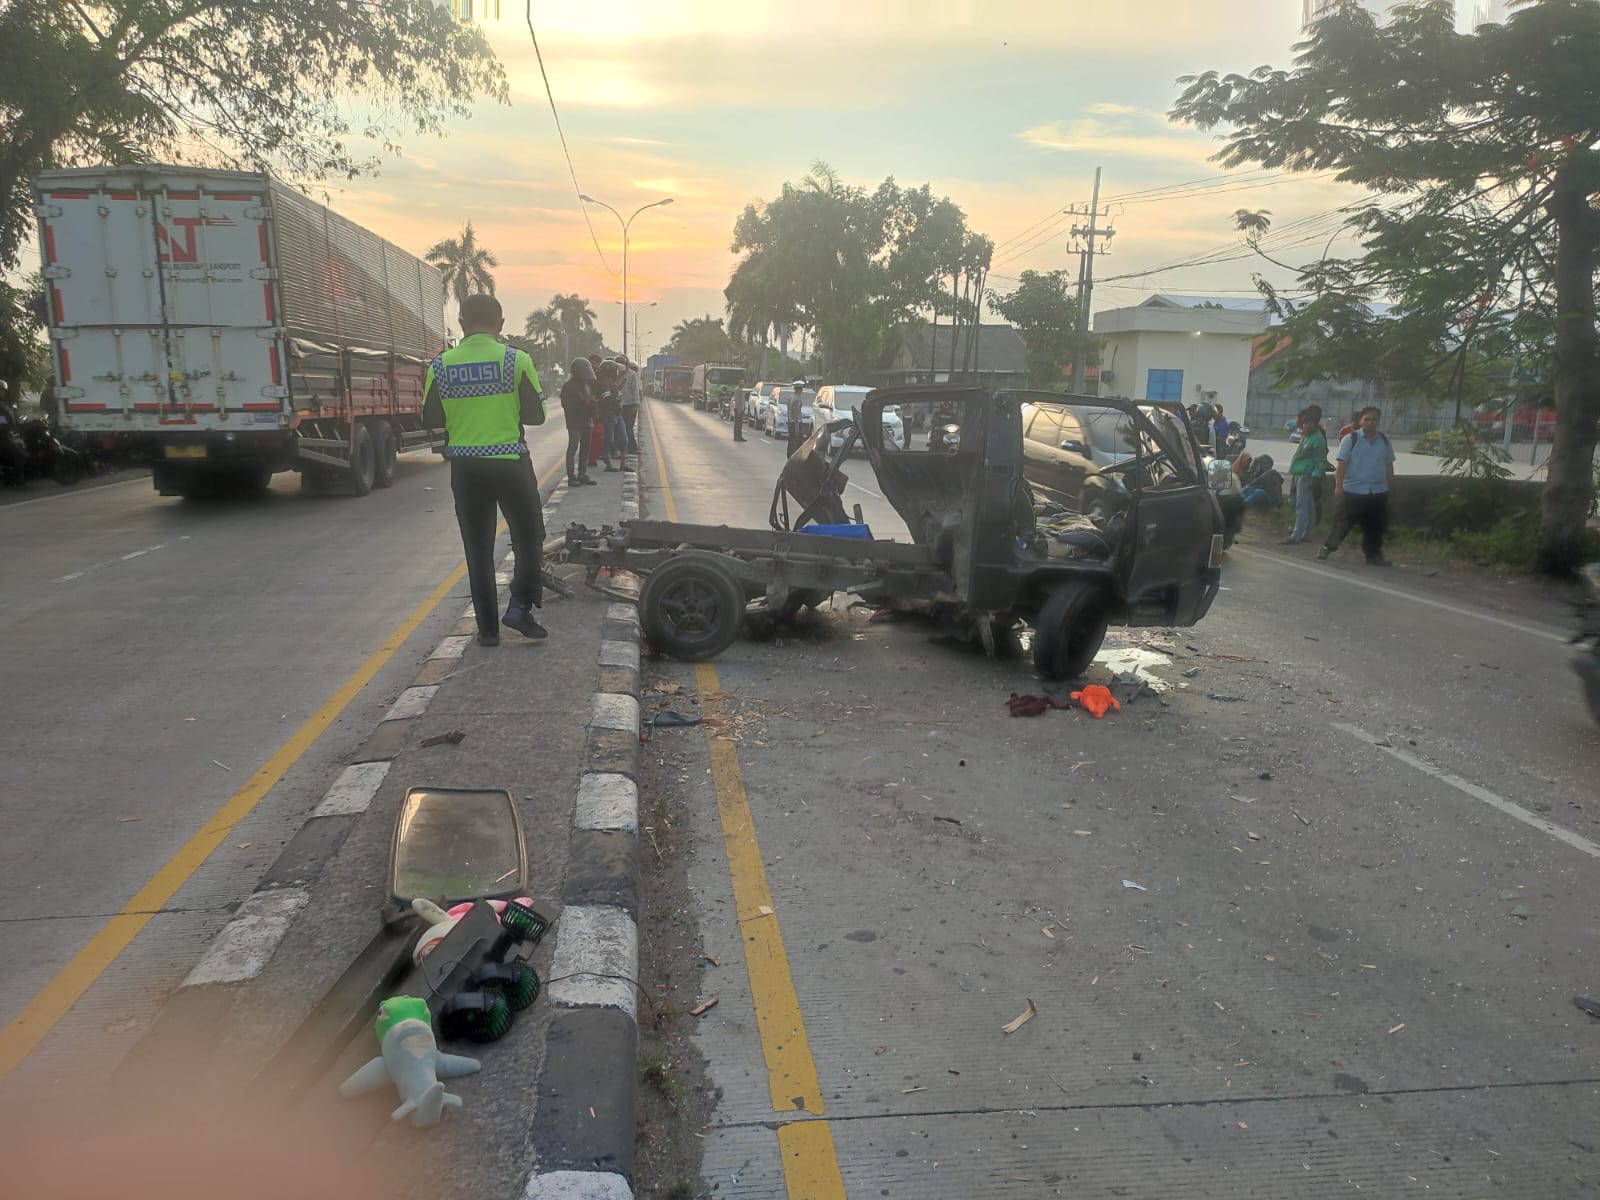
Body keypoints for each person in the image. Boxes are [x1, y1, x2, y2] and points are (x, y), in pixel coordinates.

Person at [421, 293, 549, 646]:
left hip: (465, 467)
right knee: (529, 536)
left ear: (461, 323)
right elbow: (536, 415)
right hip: (510, 463)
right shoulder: (515, 360)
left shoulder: (441, 365)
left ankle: (488, 632)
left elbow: (430, 417)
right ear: (501, 324)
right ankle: (521, 605)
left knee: (477, 549)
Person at [1318, 405, 1395, 567]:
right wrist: (1338, 486)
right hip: (1353, 490)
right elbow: (1341, 465)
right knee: (1343, 523)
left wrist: (1390, 485)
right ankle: (1327, 548)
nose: (1371, 422)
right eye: (1367, 419)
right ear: (1360, 421)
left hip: (1378, 491)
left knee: (1375, 526)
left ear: (1378, 421)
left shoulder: (1384, 441)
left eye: (1374, 419)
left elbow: (1388, 465)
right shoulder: (1350, 439)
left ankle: (1374, 555)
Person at [1283, 408, 1327, 544]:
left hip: (1307, 474)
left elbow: (1319, 461)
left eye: (1309, 423)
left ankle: (1296, 535)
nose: (1306, 426)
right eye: (1304, 423)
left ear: (1315, 424)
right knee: (1308, 505)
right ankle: (1307, 534)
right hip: (1299, 472)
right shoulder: (1306, 436)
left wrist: (1315, 477)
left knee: (1301, 506)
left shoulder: (1318, 440)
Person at [560, 357, 597, 487]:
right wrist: (582, 401)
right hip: (574, 422)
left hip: (587, 420)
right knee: (573, 448)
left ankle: (583, 473)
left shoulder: (588, 385)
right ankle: (571, 476)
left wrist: (593, 405)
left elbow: (592, 401)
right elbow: (566, 404)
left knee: (585, 449)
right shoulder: (568, 386)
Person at [620, 358, 641, 455]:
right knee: (622, 427)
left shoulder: (632, 375)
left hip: (629, 405)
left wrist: (635, 405)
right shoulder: (617, 373)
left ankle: (632, 447)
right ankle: (627, 447)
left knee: (628, 427)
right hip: (619, 404)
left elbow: (635, 390)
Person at [786, 380, 807, 457]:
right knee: (797, 442)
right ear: (799, 389)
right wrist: (797, 427)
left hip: (790, 422)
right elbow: (796, 414)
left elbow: (788, 411)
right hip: (795, 423)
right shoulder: (797, 399)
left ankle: (790, 455)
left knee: (791, 441)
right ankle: (794, 457)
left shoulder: (790, 397)